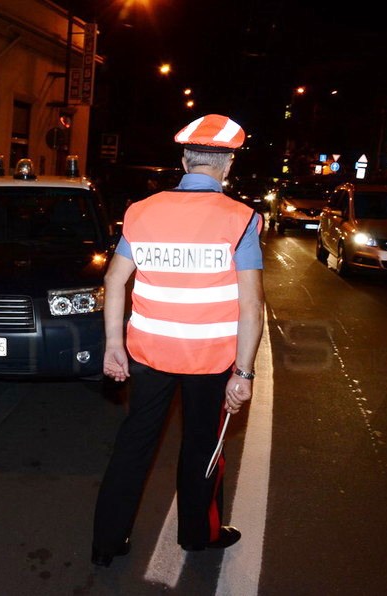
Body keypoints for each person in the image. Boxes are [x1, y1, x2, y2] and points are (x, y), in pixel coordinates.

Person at [91, 114, 264, 566]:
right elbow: (251, 305)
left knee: (134, 444)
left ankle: (107, 543)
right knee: (202, 445)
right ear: (227, 165)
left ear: (184, 160)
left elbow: (114, 280)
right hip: (210, 361)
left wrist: (114, 345)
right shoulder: (242, 219)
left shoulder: (140, 211)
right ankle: (197, 535)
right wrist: (243, 372)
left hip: (150, 355)